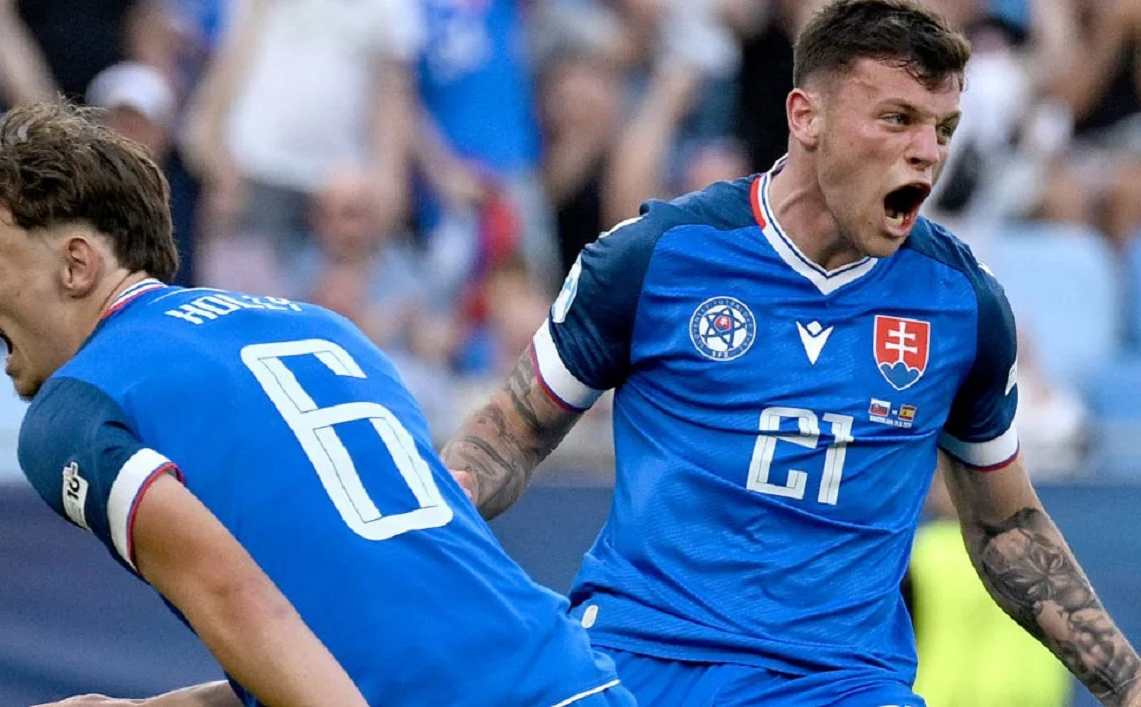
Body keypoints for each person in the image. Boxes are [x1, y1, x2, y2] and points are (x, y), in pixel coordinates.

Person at [441, 1, 1141, 705]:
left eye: (943, 128)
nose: (928, 151)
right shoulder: (657, 257)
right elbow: (509, 433)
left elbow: (1006, 525)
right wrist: (441, 509)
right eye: (897, 118)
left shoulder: (963, 305)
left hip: (839, 682)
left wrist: (1128, 683)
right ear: (806, 118)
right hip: (643, 658)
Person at [0, 101, 634, 707]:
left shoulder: (74, 406)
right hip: (574, 677)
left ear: (76, 265)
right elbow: (366, 627)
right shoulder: (325, 328)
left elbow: (235, 598)